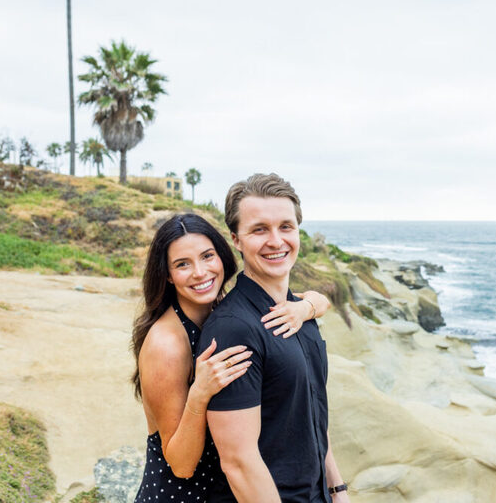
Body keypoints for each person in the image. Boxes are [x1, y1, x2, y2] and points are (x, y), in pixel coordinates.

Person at [131, 213, 331, 502]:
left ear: (222, 256)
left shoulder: (225, 313)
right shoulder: (167, 344)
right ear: (168, 275)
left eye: (207, 256)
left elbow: (319, 300)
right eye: (183, 264)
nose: (200, 272)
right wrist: (199, 394)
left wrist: (305, 308)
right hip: (182, 496)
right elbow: (181, 465)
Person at [199, 174, 349, 502]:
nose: (276, 241)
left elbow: (312, 413)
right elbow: (238, 462)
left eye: (286, 227)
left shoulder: (300, 313)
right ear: (236, 239)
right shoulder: (233, 329)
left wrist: (337, 489)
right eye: (259, 229)